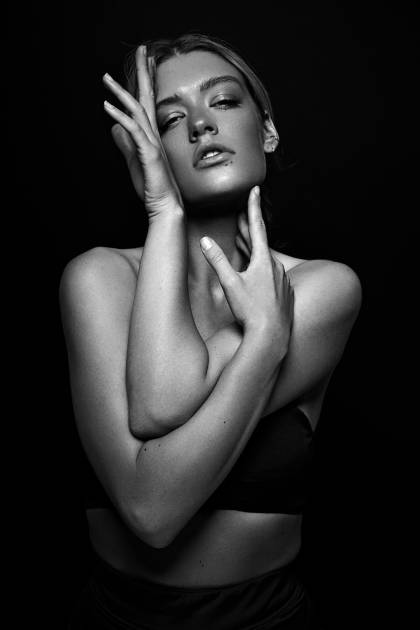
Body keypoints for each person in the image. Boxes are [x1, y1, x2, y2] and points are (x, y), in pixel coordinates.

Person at [60, 32, 362, 629]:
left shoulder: (321, 289)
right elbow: (151, 508)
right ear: (145, 150)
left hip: (265, 619)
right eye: (170, 120)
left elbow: (160, 417)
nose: (200, 125)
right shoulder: (98, 278)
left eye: (223, 101)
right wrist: (164, 214)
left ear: (267, 131)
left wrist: (264, 334)